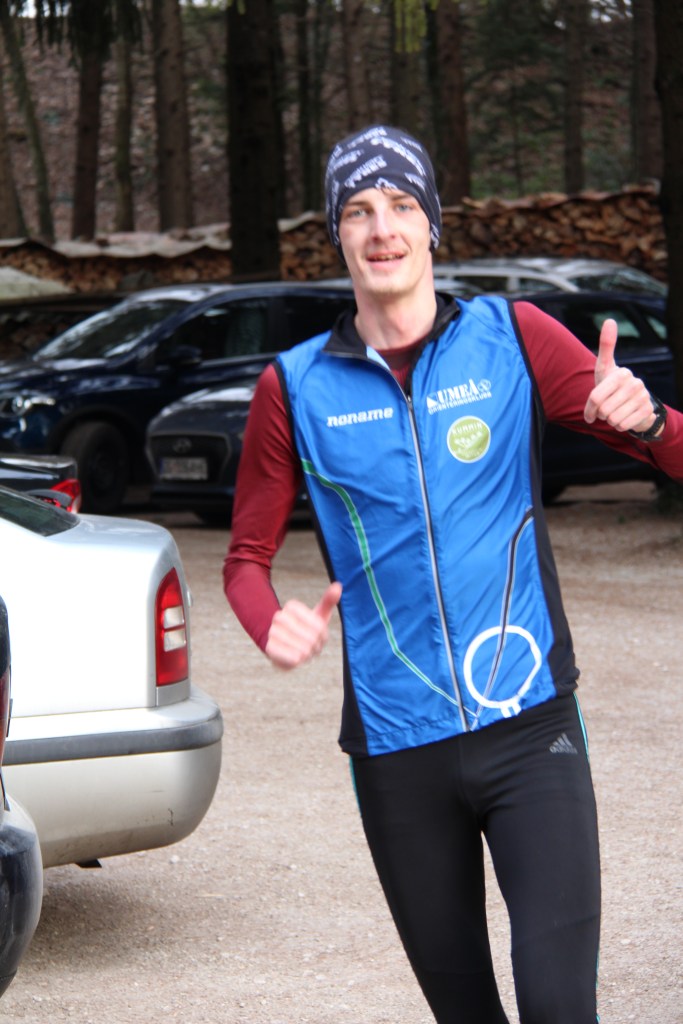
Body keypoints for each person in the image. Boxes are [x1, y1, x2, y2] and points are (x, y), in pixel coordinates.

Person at [223, 124, 683, 1024]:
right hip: (397, 751)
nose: (381, 228)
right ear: (337, 232)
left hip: (529, 728)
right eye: (358, 210)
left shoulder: (512, 339)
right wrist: (266, 620)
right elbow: (245, 560)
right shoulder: (295, 387)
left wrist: (649, 420)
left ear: (430, 223)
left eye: (401, 205)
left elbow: (674, 452)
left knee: (558, 1006)